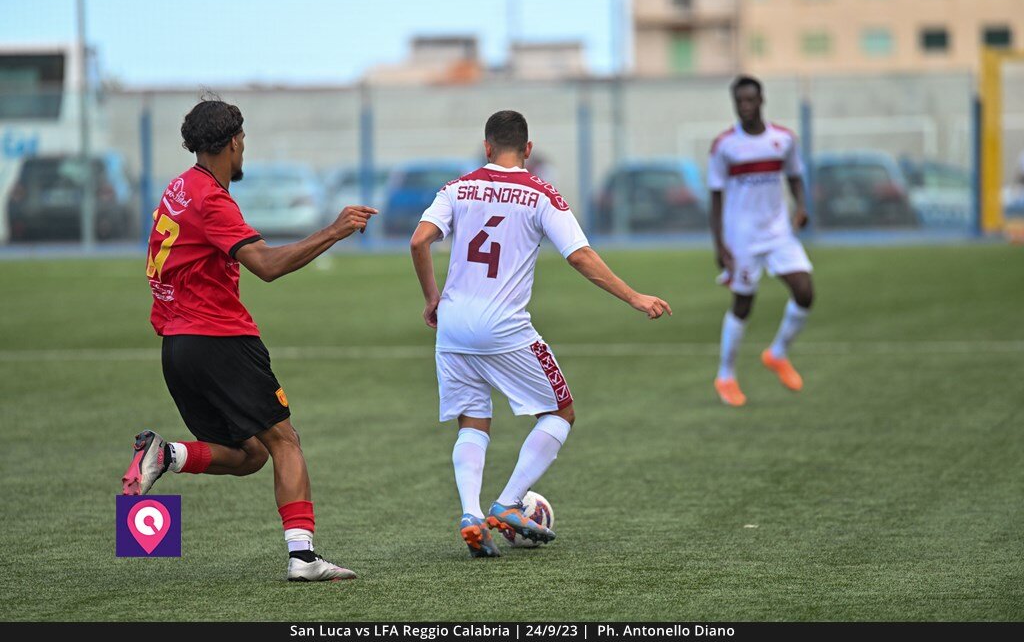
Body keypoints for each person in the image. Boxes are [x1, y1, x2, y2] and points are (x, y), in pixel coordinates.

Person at [121, 97, 377, 582]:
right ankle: (302, 557)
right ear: (234, 143)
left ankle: (165, 454)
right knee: (285, 440)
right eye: (244, 143)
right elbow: (267, 266)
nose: (244, 152)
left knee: (250, 455)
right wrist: (335, 230)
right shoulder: (211, 199)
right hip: (219, 339)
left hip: (178, 347)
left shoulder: (179, 187)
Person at [410, 110, 672, 557]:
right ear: (528, 150)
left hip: (453, 326)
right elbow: (580, 255)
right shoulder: (541, 194)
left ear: (487, 146)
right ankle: (509, 502)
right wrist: (633, 297)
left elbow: (418, 241)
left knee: (473, 421)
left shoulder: (457, 188)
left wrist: (432, 297)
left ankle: (471, 513)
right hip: (504, 327)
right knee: (560, 412)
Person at [708, 75, 814, 407]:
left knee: (805, 291)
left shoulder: (784, 139)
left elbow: (796, 176)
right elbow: (715, 198)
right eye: (740, 101)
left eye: (751, 100)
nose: (746, 107)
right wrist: (720, 245)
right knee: (743, 305)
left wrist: (802, 207)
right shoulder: (724, 146)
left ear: (761, 100)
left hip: (778, 232)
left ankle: (777, 353)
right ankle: (725, 376)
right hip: (741, 238)